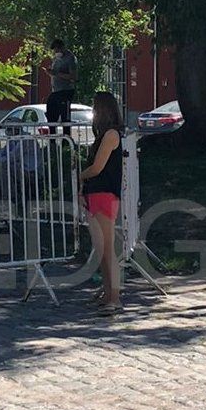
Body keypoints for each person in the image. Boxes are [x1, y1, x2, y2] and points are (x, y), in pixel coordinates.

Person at [79, 92, 124, 314]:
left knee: (108, 249)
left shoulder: (111, 135)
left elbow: (97, 167)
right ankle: (108, 294)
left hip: (105, 194)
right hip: (95, 193)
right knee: (101, 249)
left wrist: (79, 175)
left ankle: (114, 297)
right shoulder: (102, 136)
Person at [45, 39, 78, 127]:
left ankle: (66, 139)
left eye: (57, 50)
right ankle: (52, 138)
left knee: (65, 117)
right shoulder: (56, 59)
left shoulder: (70, 58)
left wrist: (56, 73)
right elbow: (55, 73)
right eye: (55, 51)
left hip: (66, 91)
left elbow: (73, 77)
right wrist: (50, 72)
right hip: (56, 91)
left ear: (62, 48)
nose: (56, 52)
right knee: (51, 112)